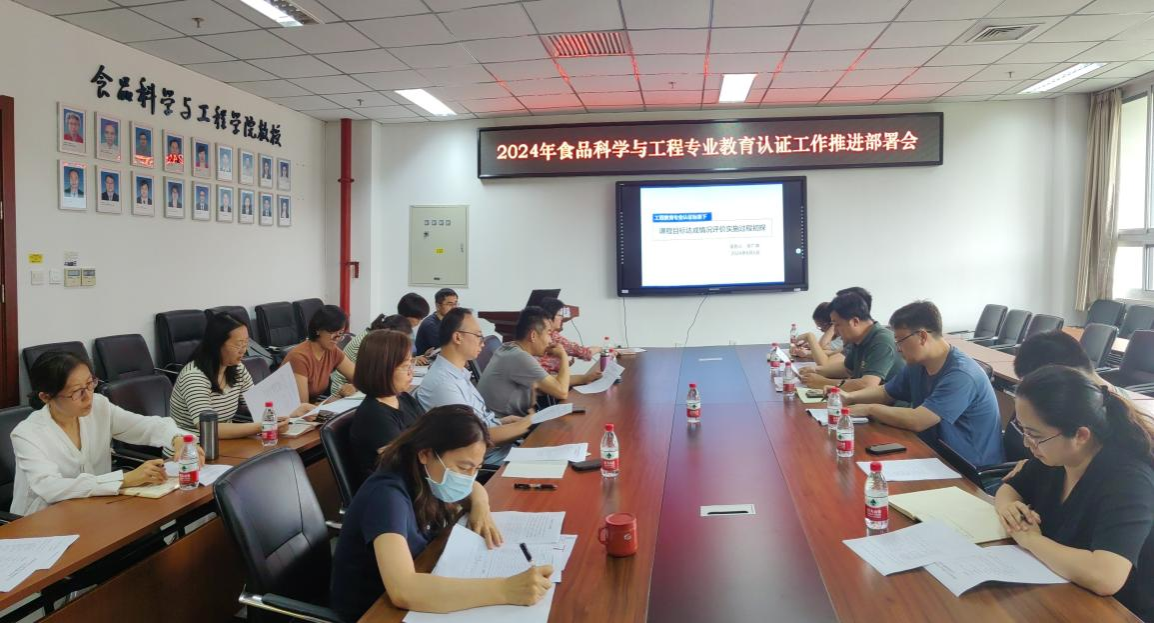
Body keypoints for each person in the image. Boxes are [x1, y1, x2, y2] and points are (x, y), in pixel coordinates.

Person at [329, 405, 552, 622]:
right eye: (463, 468)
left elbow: (473, 488)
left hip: (422, 571)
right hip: (373, 610)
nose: (469, 478)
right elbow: (403, 590)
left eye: (476, 468)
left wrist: (481, 507)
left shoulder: (426, 474)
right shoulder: (386, 496)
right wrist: (505, 589)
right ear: (425, 454)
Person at [995, 365, 1153, 621]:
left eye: (1034, 435)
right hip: (1060, 586)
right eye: (1023, 429)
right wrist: (1009, 508)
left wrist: (1031, 539)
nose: (1026, 443)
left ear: (1080, 435)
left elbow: (1106, 576)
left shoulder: (1128, 480)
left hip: (1117, 609)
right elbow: (1010, 487)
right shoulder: (1054, 457)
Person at [10, 352, 203, 515]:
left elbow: (144, 426)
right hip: (44, 520)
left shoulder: (99, 406)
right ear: (46, 397)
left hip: (95, 509)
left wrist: (177, 439)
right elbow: (51, 488)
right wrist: (125, 480)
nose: (88, 396)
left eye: (90, 384)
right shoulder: (27, 434)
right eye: (77, 392)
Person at [842, 301, 1004, 467]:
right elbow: (886, 392)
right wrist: (849, 397)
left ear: (922, 336)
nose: (898, 349)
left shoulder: (961, 375)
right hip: (932, 454)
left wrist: (869, 409)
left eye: (900, 341)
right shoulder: (918, 364)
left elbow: (919, 420)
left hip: (969, 469)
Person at [415, 308, 533, 463]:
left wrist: (501, 422)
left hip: (499, 449)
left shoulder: (459, 373)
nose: (482, 343)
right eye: (478, 336)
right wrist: (527, 425)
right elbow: (474, 439)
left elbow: (479, 422)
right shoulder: (444, 385)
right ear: (458, 337)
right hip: (486, 461)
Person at [169, 312, 309, 439]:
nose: (244, 350)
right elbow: (209, 428)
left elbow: (259, 405)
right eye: (238, 344)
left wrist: (294, 410)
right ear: (217, 344)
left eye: (246, 343)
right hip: (191, 449)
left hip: (227, 444)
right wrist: (263, 426)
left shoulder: (237, 368)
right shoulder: (194, 376)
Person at [350, 330, 425, 481]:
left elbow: (428, 433)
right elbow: (404, 466)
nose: (411, 372)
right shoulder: (374, 415)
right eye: (405, 366)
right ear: (383, 370)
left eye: (411, 363)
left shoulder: (404, 398)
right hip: (398, 487)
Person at [479, 306, 575, 415]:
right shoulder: (519, 357)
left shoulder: (508, 347)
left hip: (505, 420)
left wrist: (585, 378)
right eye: (549, 334)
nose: (551, 341)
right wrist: (563, 355)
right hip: (507, 423)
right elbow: (562, 392)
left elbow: (549, 380)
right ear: (533, 336)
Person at [799, 292, 903, 391]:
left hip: (889, 402)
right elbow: (847, 369)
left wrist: (823, 382)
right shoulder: (857, 338)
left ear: (855, 321)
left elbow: (867, 384)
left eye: (837, 324)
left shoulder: (882, 340)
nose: (835, 331)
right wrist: (816, 370)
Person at [284, 304, 357, 403]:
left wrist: (353, 387)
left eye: (340, 334)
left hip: (312, 407)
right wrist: (328, 403)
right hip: (286, 411)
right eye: (332, 333)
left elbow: (359, 378)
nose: (337, 339)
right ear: (318, 330)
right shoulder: (299, 357)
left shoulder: (332, 351)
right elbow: (302, 406)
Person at [330, 314, 411, 395]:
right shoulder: (372, 342)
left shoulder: (374, 337)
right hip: (345, 389)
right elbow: (376, 372)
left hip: (359, 384)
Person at [535, 298, 603, 386]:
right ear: (549, 318)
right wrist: (601, 349)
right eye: (559, 315)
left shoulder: (546, 333)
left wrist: (563, 362)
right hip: (548, 384)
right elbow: (585, 353)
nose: (562, 318)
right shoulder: (553, 336)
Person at [791, 301, 844, 366]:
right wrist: (810, 349)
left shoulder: (843, 338)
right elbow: (830, 353)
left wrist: (810, 338)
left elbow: (822, 347)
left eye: (821, 327)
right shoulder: (834, 337)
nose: (821, 331)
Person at [414, 288, 458, 356]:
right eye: (450, 304)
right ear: (438, 306)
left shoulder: (450, 321)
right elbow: (447, 348)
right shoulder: (430, 325)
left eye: (455, 304)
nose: (454, 307)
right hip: (427, 361)